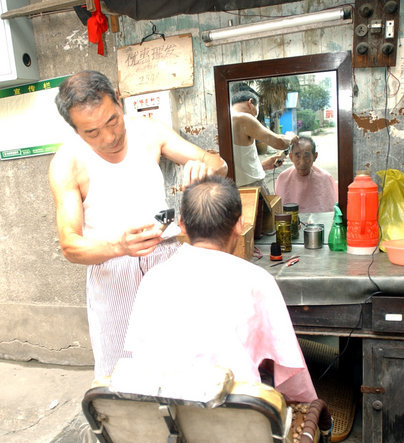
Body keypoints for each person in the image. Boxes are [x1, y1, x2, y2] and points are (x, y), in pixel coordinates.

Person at [49, 70, 227, 380]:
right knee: (123, 375)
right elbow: (70, 246)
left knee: (183, 362)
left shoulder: (148, 132)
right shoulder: (67, 164)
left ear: (118, 101)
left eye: (112, 121)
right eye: (92, 132)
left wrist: (205, 166)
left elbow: (218, 165)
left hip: (166, 263)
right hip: (113, 274)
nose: (109, 137)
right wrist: (117, 246)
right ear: (75, 130)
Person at [117, 175, 317, 404]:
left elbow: (140, 353)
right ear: (240, 225)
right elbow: (289, 370)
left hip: (163, 418)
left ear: (181, 223)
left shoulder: (152, 279)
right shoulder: (257, 281)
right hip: (235, 420)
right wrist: (311, 406)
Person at [231, 88, 297, 193]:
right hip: (252, 189)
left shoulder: (224, 118)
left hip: (231, 190)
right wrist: (290, 136)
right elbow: (279, 143)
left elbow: (238, 164)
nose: (256, 115)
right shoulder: (243, 118)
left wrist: (262, 165)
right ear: (251, 103)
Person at [274, 136, 337, 212]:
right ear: (291, 157)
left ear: (315, 156)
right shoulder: (283, 178)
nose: (302, 163)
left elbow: (330, 212)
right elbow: (278, 212)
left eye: (306, 156)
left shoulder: (325, 178)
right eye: (297, 156)